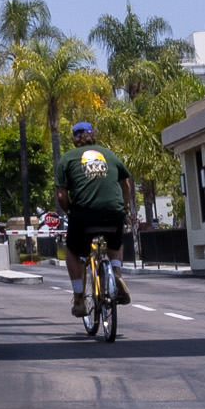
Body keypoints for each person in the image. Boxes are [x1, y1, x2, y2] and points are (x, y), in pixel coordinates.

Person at [54, 119, 134, 318]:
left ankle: (79, 297)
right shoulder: (109, 155)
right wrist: (125, 209)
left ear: (74, 139)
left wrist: (70, 212)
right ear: (93, 135)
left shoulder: (67, 159)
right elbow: (126, 185)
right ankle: (116, 273)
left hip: (84, 214)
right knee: (114, 241)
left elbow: (62, 196)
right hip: (114, 212)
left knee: (72, 251)